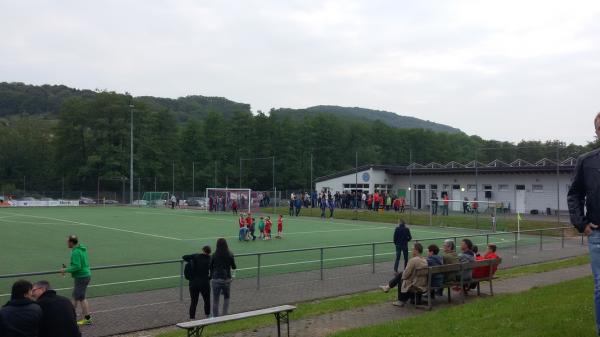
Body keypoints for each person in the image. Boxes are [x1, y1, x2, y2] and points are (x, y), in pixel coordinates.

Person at [570, 117, 600, 335]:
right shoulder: (586, 161)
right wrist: (582, 224)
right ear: (596, 132)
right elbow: (575, 194)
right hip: (598, 234)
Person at [61, 235, 92, 326]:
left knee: (77, 298)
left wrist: (65, 270)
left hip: (81, 277)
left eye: (67, 242)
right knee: (79, 297)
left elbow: (77, 266)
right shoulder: (81, 249)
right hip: (85, 275)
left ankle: (73, 318)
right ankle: (84, 318)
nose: (67, 243)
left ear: (71, 242)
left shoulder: (75, 252)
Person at [182, 246, 212, 319]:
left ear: (203, 250)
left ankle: (192, 318)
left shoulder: (196, 256)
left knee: (193, 302)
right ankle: (207, 316)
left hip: (193, 282)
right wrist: (209, 278)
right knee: (207, 300)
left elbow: (184, 257)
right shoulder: (210, 259)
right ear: (209, 252)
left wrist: (192, 259)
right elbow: (213, 271)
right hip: (204, 282)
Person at [210, 238, 236, 317]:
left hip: (216, 279)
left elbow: (210, 266)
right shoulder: (230, 254)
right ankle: (224, 316)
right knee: (226, 298)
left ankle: (215, 317)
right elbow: (234, 266)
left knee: (215, 300)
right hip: (226, 279)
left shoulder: (214, 255)